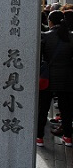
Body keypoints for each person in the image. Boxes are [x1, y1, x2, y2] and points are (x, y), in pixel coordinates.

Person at [36, 10, 73, 147]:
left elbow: (39, 57)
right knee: (66, 110)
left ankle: (39, 137)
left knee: (43, 109)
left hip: (48, 78)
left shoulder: (45, 36)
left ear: (50, 22)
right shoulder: (70, 37)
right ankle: (68, 137)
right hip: (66, 78)